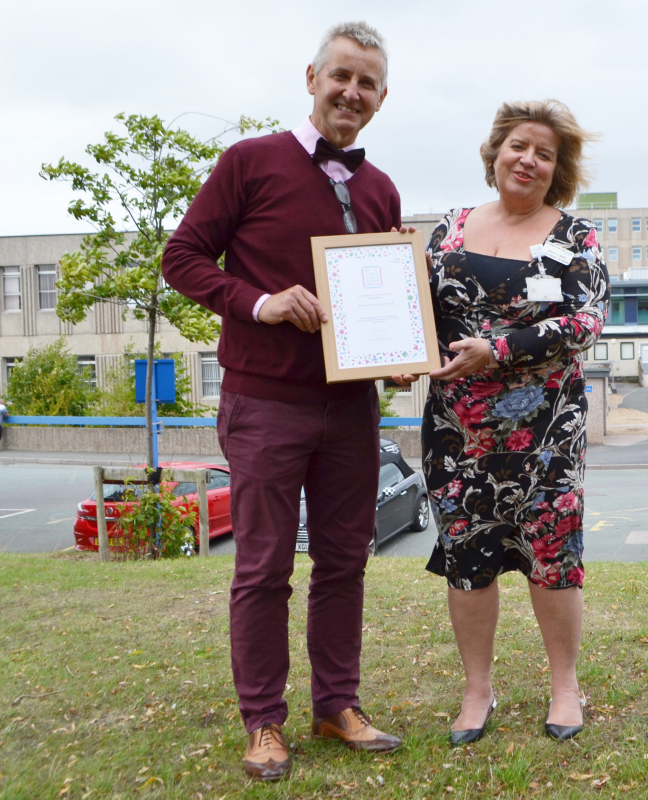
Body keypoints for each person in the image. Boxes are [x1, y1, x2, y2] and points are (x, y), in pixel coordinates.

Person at [395, 100, 648, 746]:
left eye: (544, 153)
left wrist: (497, 348)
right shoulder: (446, 231)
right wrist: (398, 359)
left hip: (546, 436)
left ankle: (565, 684)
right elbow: (414, 315)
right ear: (495, 151)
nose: (528, 160)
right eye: (518, 146)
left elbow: (586, 322)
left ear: (557, 170)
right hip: (457, 433)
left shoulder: (574, 238)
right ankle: (477, 691)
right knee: (467, 561)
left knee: (553, 560)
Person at [162, 21, 406, 783]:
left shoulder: (378, 189)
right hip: (265, 402)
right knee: (263, 567)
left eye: (367, 83)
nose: (351, 92)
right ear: (311, 77)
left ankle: (336, 704)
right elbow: (182, 258)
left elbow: (379, 297)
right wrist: (261, 303)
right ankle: (262, 721)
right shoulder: (250, 162)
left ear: (381, 97)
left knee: (344, 562)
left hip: (352, 410)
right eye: (341, 76)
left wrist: (398, 348)